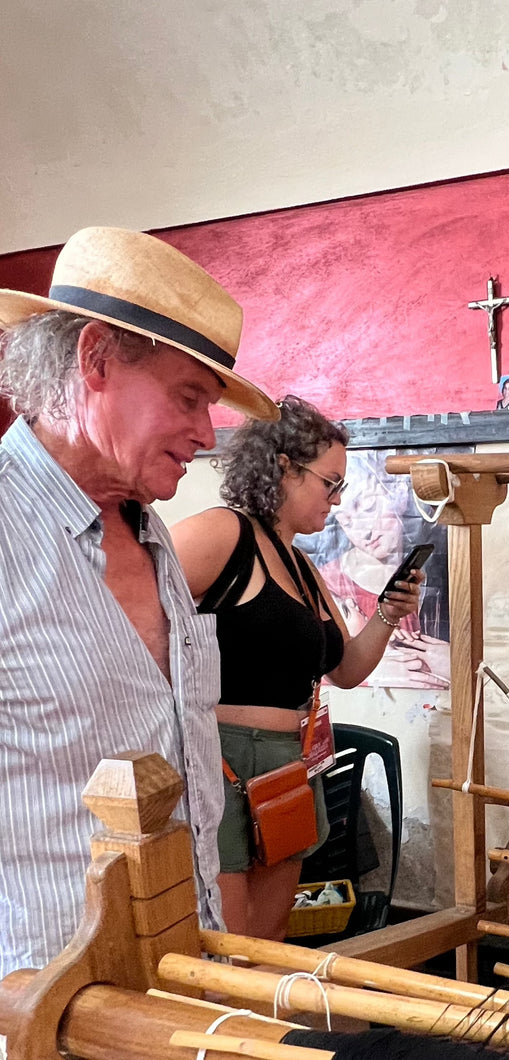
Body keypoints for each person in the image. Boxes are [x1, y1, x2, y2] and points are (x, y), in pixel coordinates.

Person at [0, 226, 278, 979]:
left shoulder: (151, 532)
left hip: (181, 977)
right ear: (94, 361)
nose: (206, 434)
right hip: (44, 1006)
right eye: (189, 398)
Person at [170, 395, 425, 940]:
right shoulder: (223, 534)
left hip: (290, 764)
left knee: (271, 942)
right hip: (223, 758)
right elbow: (135, 620)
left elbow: (348, 668)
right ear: (283, 468)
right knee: (229, 947)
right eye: (329, 482)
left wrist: (386, 612)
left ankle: (267, 1027)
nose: (336, 499)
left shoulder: (301, 565)